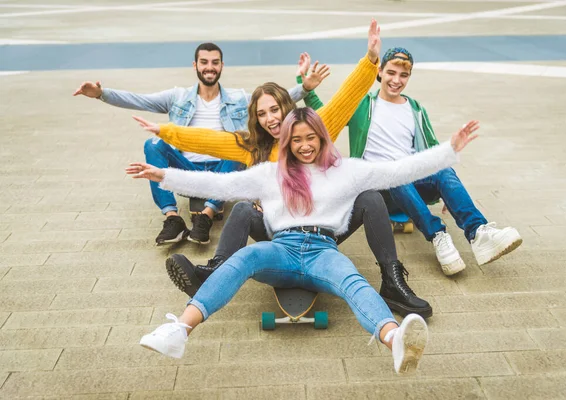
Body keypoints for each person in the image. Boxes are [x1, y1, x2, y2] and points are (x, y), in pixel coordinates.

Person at [126, 107, 480, 373]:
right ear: (287, 143)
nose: (305, 146)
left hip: (324, 251)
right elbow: (220, 186)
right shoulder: (271, 175)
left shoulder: (348, 170)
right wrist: (164, 175)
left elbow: (399, 170)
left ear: (322, 137)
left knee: (354, 281)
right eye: (296, 140)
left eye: (311, 137)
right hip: (280, 249)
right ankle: (178, 331)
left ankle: (395, 339)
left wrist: (449, 149)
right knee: (243, 258)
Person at [133, 21, 433, 318]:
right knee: (241, 210)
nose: (270, 119)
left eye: (275, 110)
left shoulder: (316, 127)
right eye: (262, 114)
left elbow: (347, 97)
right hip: (277, 230)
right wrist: (165, 131)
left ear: (287, 108)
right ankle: (213, 273)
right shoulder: (251, 146)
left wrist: (370, 61)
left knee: (370, 197)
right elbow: (210, 140)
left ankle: (392, 282)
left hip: (322, 227)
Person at [73, 42, 325, 245]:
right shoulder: (177, 96)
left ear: (221, 66)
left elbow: (274, 102)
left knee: (239, 143)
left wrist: (304, 87)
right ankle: (172, 218)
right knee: (153, 143)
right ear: (195, 65)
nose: (209, 67)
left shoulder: (238, 98)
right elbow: (138, 100)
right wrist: (101, 94)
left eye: (215, 62)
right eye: (204, 62)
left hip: (224, 169)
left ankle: (206, 215)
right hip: (186, 168)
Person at [302, 47, 522, 276]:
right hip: (378, 191)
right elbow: (324, 115)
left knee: (443, 172)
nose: (396, 80)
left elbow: (433, 150)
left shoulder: (415, 110)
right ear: (379, 72)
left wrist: (450, 190)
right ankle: (437, 235)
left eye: (403, 75)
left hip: (411, 185)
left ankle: (478, 234)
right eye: (391, 73)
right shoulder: (363, 105)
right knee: (395, 173)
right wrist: (306, 88)